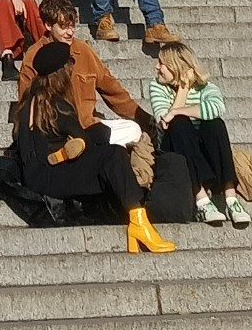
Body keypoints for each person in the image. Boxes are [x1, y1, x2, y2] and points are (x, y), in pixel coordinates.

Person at [11, 42, 173, 252]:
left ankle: (136, 218)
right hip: (50, 179)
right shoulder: (57, 105)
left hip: (35, 175)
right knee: (113, 153)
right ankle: (138, 220)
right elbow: (83, 140)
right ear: (61, 73)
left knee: (103, 149)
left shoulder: (30, 103)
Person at [145, 39, 248, 226]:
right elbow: (164, 123)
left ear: (176, 67)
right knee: (179, 123)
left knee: (214, 124)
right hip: (175, 149)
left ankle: (231, 198)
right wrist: (183, 91)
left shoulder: (206, 87)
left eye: (161, 63)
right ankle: (202, 200)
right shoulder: (157, 87)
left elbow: (217, 108)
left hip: (202, 151)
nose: (156, 67)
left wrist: (176, 110)